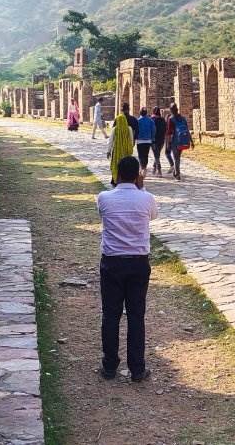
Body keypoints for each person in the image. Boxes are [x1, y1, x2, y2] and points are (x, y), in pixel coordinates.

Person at [95, 155, 156, 382]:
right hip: (139, 262)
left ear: (117, 174)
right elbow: (153, 215)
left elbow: (102, 214)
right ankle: (137, 369)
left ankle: (109, 366)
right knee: (136, 315)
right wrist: (141, 187)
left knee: (110, 315)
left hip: (112, 262)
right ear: (138, 175)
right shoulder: (147, 198)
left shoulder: (104, 198)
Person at [166, 103, 193, 181]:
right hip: (183, 140)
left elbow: (169, 132)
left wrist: (168, 143)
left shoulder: (171, 119)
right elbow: (187, 130)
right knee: (178, 157)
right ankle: (175, 172)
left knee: (176, 158)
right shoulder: (183, 118)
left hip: (175, 141)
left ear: (171, 110)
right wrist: (191, 141)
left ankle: (177, 175)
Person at [106, 113, 134, 187]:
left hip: (117, 151)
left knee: (116, 165)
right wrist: (130, 149)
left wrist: (108, 151)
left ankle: (115, 180)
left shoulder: (115, 129)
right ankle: (125, 180)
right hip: (126, 151)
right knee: (126, 165)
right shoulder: (129, 128)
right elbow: (131, 140)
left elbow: (110, 141)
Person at [150, 106, 166, 177]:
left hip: (154, 140)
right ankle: (154, 168)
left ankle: (159, 170)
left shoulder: (152, 119)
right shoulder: (163, 120)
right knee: (157, 154)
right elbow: (165, 129)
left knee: (156, 155)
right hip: (161, 140)